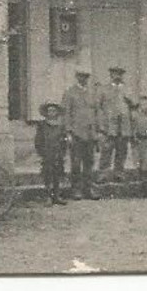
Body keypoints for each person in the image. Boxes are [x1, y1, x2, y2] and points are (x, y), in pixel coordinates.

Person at [61, 69, 101, 200]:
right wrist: (68, 132)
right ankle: (76, 189)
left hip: (90, 134)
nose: (84, 79)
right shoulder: (70, 93)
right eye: (81, 76)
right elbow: (66, 114)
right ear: (77, 77)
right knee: (76, 163)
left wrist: (98, 131)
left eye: (86, 77)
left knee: (89, 162)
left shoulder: (92, 93)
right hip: (76, 133)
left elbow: (96, 113)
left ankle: (88, 188)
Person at [96, 65, 135, 185]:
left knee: (122, 150)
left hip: (124, 125)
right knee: (106, 150)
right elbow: (98, 108)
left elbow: (134, 106)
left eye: (120, 74)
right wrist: (102, 125)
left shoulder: (128, 89)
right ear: (111, 75)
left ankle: (119, 173)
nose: (117, 76)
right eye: (114, 74)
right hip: (109, 126)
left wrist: (130, 98)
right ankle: (103, 174)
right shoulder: (103, 89)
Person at [33, 101, 69, 205]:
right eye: (49, 111)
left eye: (54, 111)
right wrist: (41, 152)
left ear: (57, 113)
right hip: (47, 153)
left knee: (57, 174)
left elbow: (64, 140)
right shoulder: (42, 125)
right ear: (46, 113)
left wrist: (63, 152)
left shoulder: (61, 126)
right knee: (48, 174)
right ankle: (48, 196)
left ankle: (57, 195)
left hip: (58, 153)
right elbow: (38, 140)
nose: (51, 113)